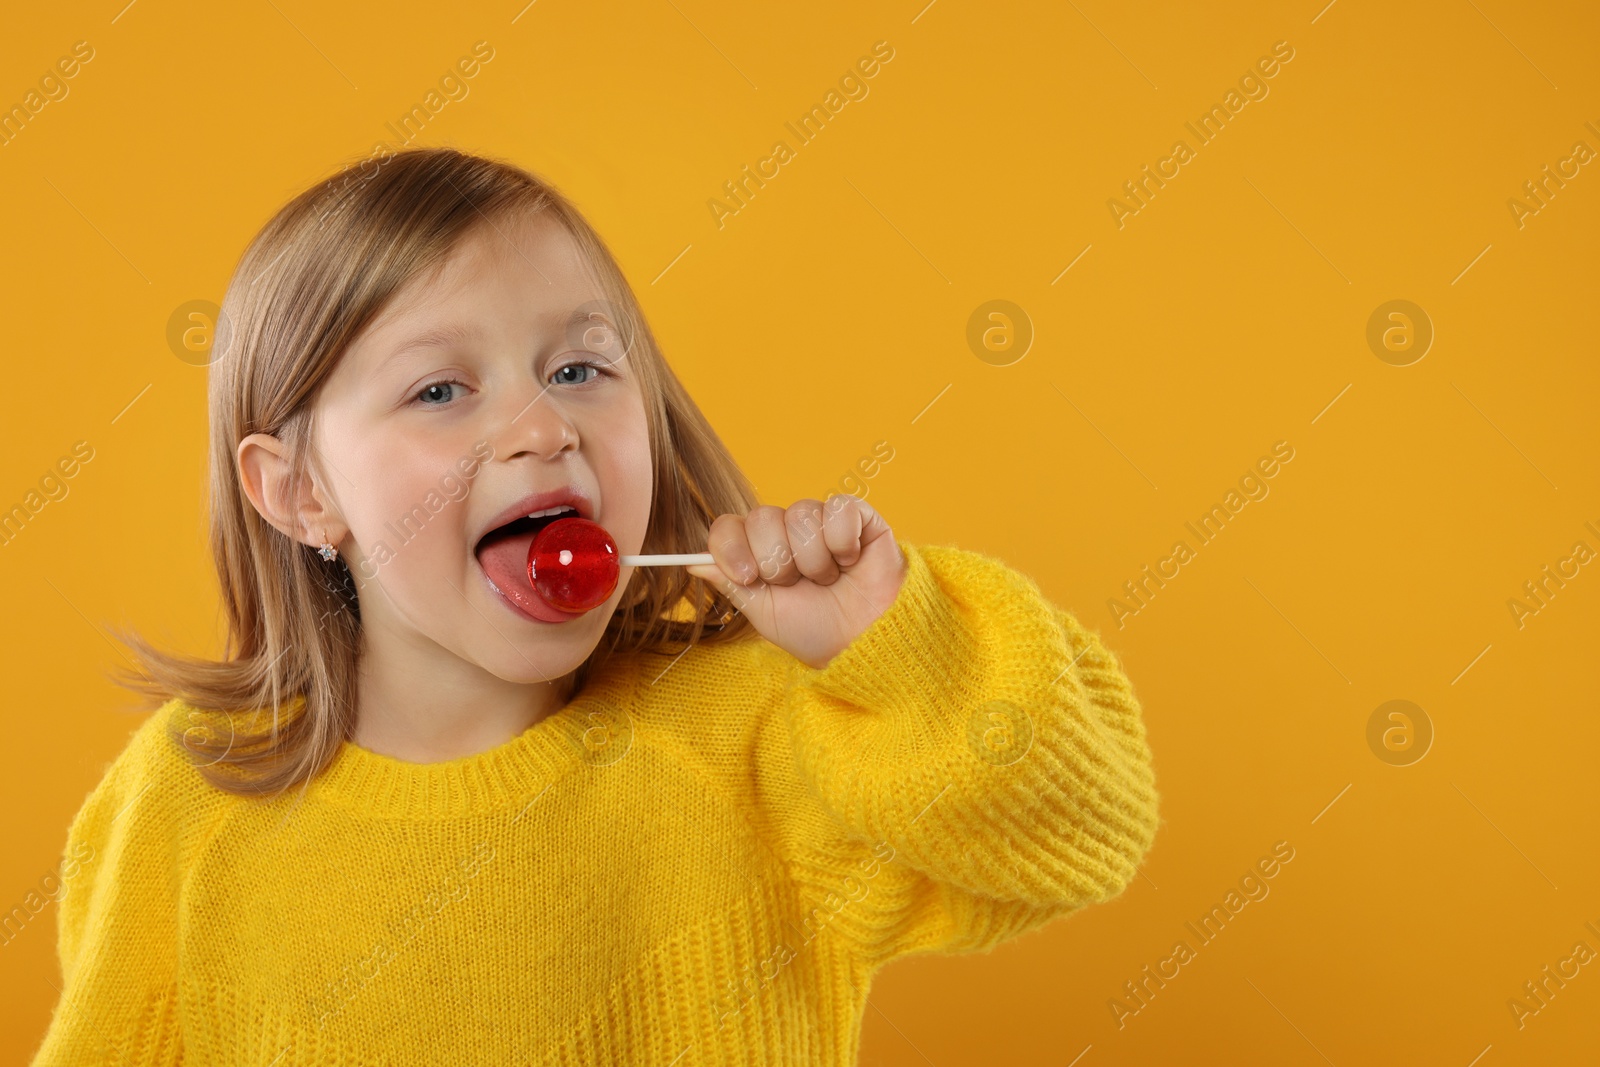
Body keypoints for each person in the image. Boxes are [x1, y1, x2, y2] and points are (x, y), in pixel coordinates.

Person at [29, 146, 1161, 1065]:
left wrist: (897, 645)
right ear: (300, 491)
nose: (542, 427)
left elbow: (1085, 835)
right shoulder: (189, 800)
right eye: (441, 388)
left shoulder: (765, 733)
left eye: (579, 369)